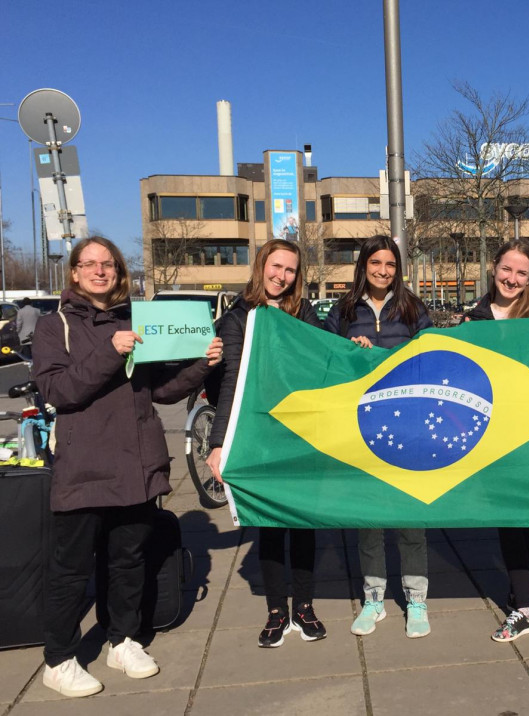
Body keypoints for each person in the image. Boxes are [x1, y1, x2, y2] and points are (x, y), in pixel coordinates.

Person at [32, 237, 223, 698]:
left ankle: (122, 639)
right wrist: (109, 351)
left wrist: (201, 363)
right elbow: (59, 391)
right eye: (90, 264)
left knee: (128, 562)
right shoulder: (52, 325)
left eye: (109, 265)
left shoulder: (136, 320)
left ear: (119, 273)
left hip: (137, 465)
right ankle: (58, 659)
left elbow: (160, 391)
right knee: (71, 570)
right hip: (85, 469)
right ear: (74, 272)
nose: (100, 271)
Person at [206, 239, 326, 649]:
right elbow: (230, 384)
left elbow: (329, 357)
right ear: (261, 266)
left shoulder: (304, 313)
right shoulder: (239, 317)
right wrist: (219, 444)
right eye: (276, 267)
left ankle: (305, 607)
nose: (282, 276)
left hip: (300, 436)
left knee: (304, 525)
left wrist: (353, 347)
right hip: (260, 436)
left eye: (291, 270)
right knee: (270, 527)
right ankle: (277, 610)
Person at [324, 235, 433, 639]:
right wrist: (352, 354)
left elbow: (428, 360)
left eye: (390, 264)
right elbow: (327, 359)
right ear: (363, 265)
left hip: (408, 429)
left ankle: (416, 599)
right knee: (368, 519)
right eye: (376, 263)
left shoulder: (413, 307)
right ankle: (374, 599)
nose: (383, 271)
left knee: (410, 520)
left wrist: (385, 357)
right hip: (362, 428)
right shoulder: (344, 308)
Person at [464, 240, 529, 642]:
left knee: (520, 518)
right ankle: (522, 598)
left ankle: (526, 606)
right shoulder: (476, 318)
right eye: (507, 269)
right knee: (507, 519)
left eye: (522, 273)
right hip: (489, 436)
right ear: (493, 267)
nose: (512, 278)